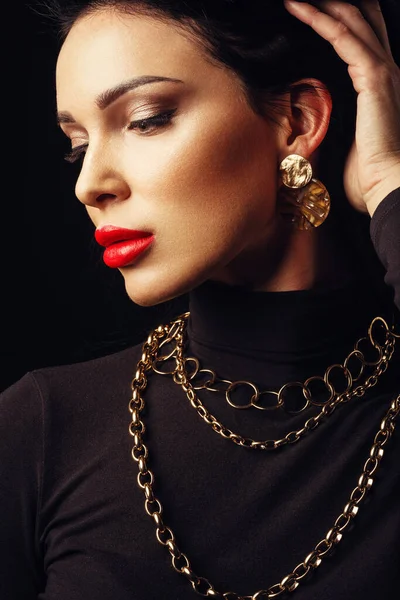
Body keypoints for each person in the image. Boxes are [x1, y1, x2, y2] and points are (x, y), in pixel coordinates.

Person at [1, 0, 399, 598]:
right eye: (78, 145)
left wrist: (387, 178)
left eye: (145, 118)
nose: (90, 184)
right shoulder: (40, 427)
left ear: (295, 120)